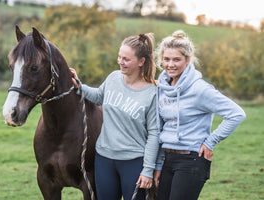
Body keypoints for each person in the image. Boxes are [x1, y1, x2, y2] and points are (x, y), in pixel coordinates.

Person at [153, 30, 246, 200]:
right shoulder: (162, 88)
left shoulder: (200, 89)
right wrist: (158, 164)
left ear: (188, 60)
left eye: (176, 59)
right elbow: (160, 127)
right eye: (166, 59)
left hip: (191, 161)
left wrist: (211, 141)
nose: (170, 64)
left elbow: (236, 114)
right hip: (167, 159)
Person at [70, 33, 159, 200]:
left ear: (141, 62)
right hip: (104, 159)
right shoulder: (113, 78)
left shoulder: (153, 92)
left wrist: (148, 170)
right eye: (119, 57)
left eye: (126, 59)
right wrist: (78, 84)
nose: (120, 62)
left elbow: (154, 133)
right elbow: (98, 97)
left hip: (134, 162)